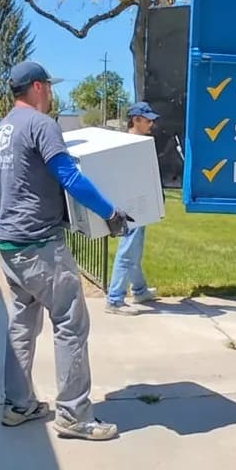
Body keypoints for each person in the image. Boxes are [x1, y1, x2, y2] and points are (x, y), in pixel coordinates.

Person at [0, 60, 134, 441]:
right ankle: (74, 415)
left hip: (8, 242)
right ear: (37, 87)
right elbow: (69, 176)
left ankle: (18, 405)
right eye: (49, 87)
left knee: (21, 324)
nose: (52, 94)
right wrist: (110, 213)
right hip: (40, 244)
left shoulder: (3, 128)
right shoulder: (41, 125)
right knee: (71, 324)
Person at [106, 101, 161, 315]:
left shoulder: (142, 142)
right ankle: (114, 299)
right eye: (148, 120)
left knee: (134, 250)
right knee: (128, 251)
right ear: (135, 119)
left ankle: (139, 290)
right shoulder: (128, 144)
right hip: (132, 206)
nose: (151, 124)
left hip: (141, 203)